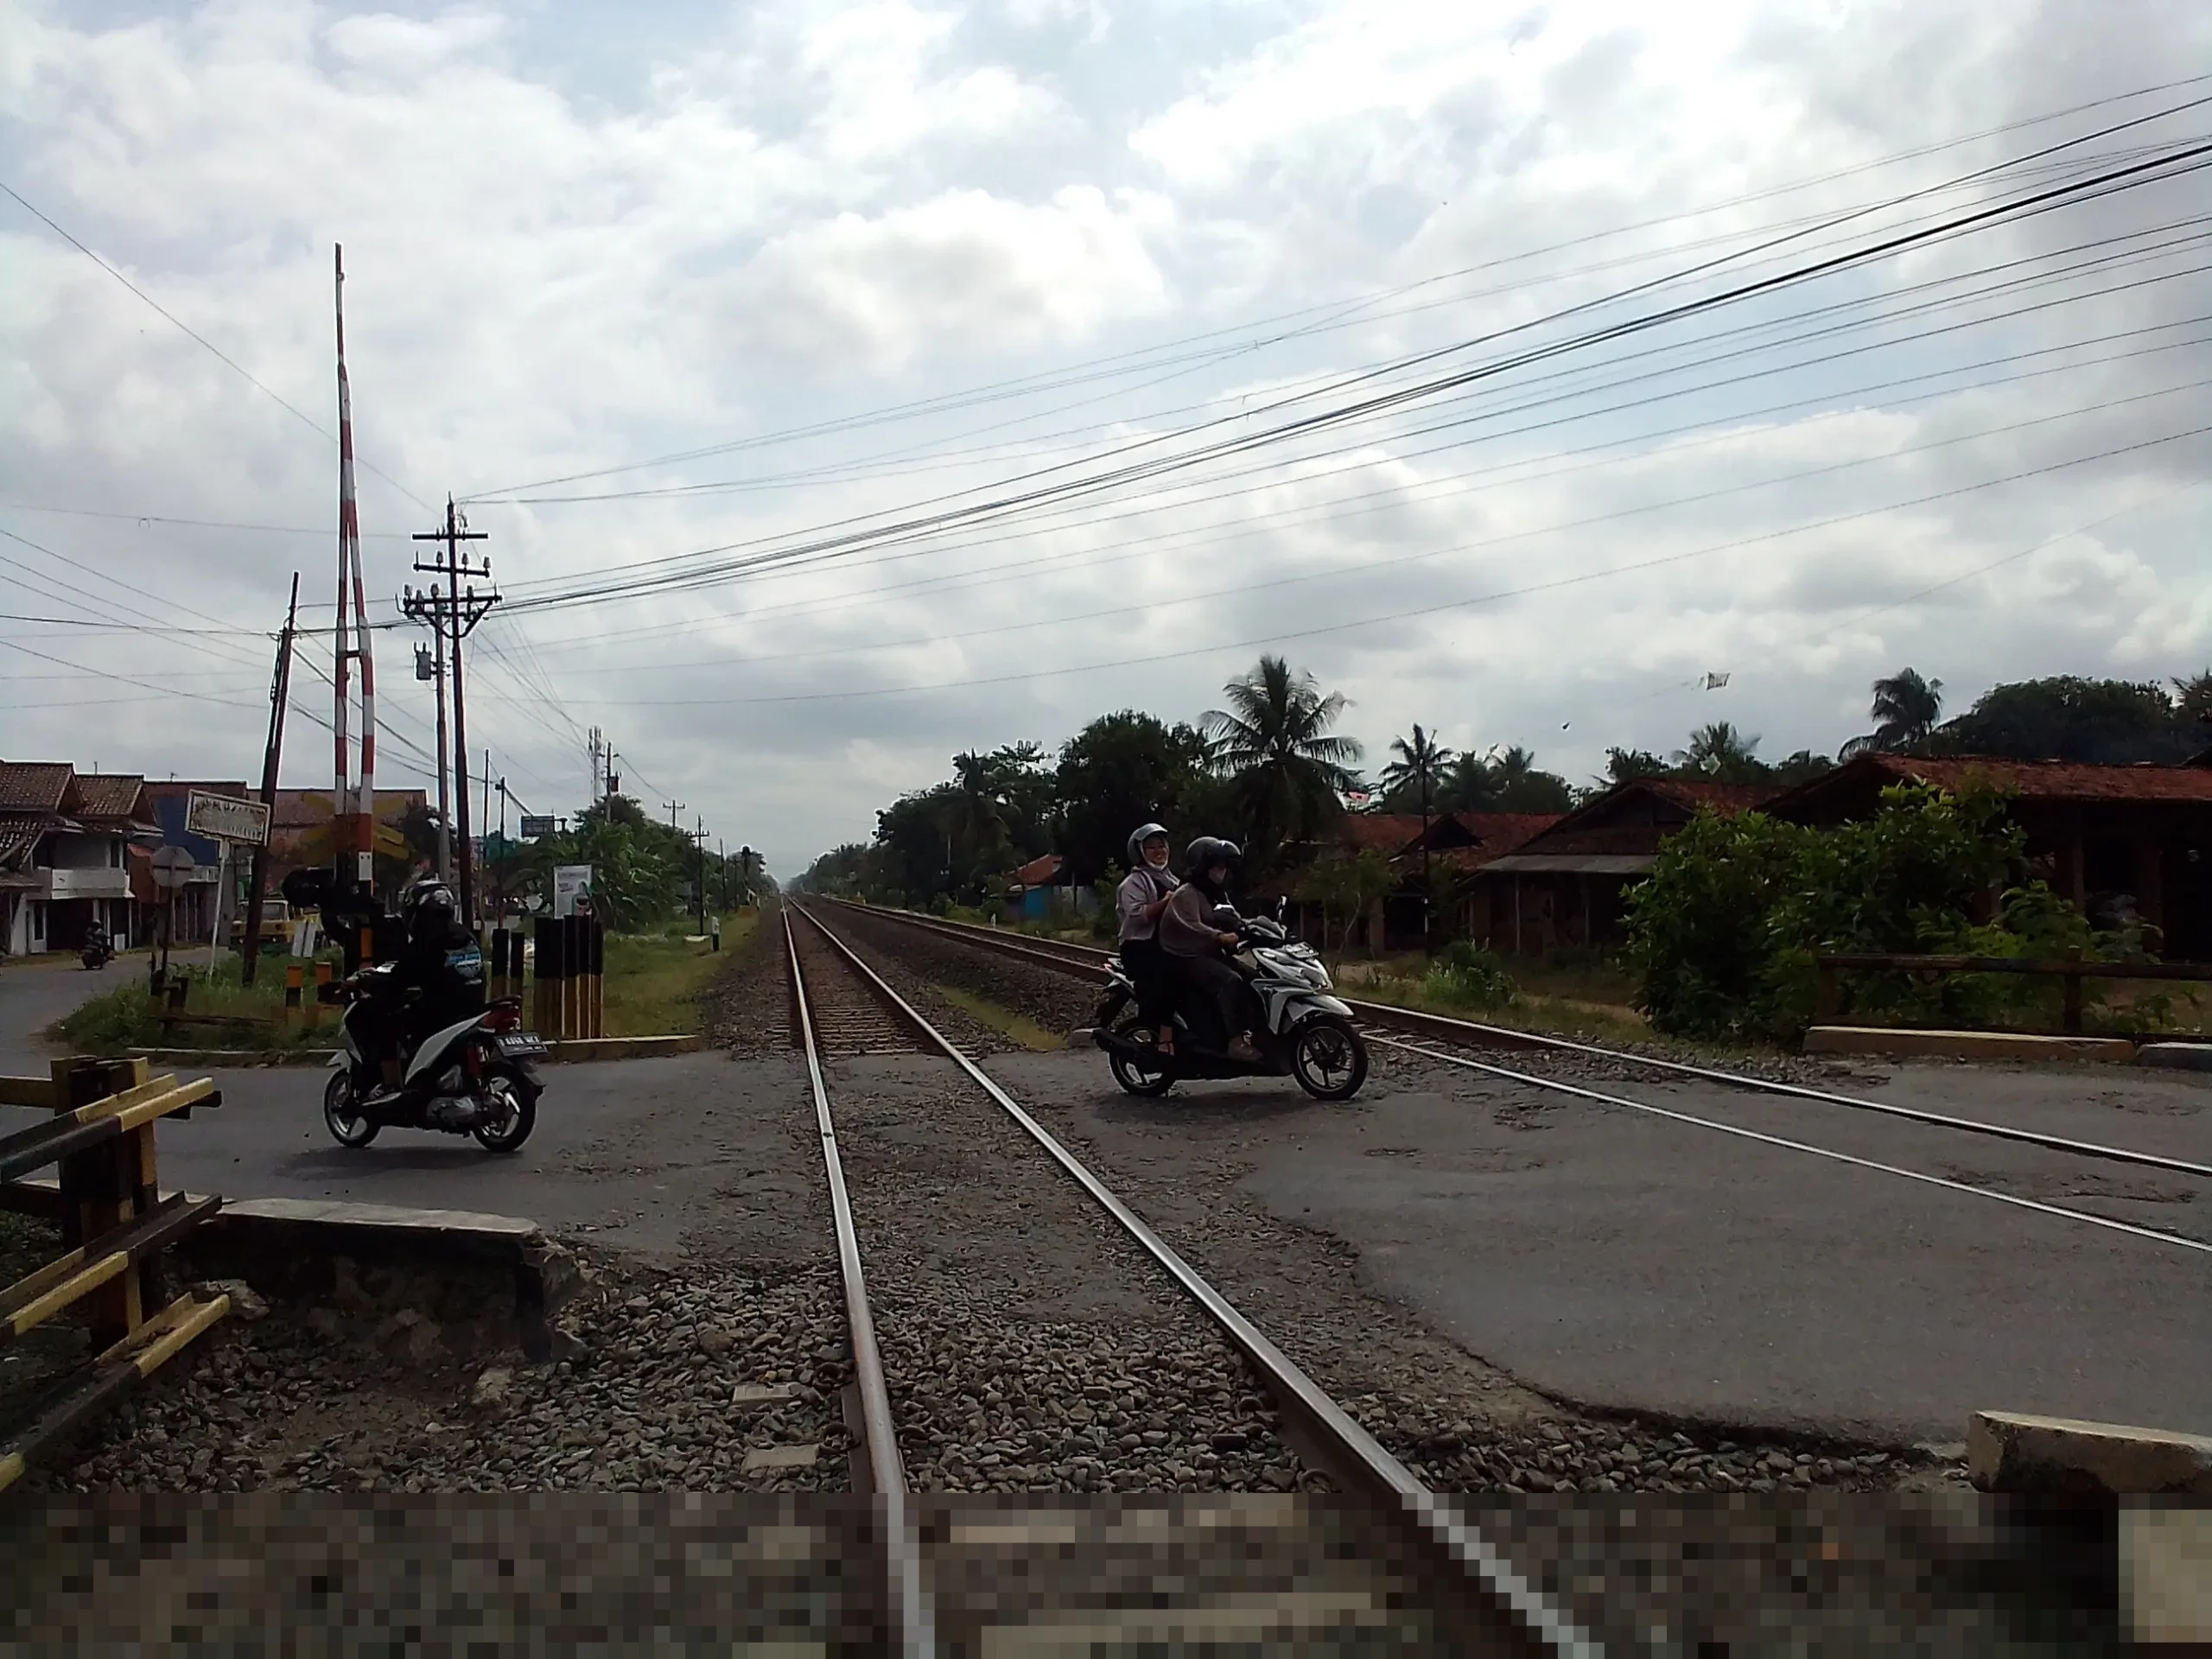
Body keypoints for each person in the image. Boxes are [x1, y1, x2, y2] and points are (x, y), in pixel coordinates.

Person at [366, 878, 486, 1100]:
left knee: (385, 1021)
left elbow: (399, 979)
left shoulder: (425, 942)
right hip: (473, 1008)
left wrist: (368, 982)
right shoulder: (464, 935)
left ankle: (391, 1085)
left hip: (442, 1014)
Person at [1157, 836, 1260, 1061]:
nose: (1220, 871)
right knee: (1230, 981)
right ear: (1202, 867)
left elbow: (1234, 916)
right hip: (1185, 956)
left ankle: (1256, 1033)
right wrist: (1220, 936)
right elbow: (1193, 926)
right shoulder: (1187, 893)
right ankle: (1235, 1042)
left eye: (1224, 866)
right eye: (1216, 866)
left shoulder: (1215, 893)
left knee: (1255, 977)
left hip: (1207, 953)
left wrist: (1256, 927)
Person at [1115, 823, 1179, 1045]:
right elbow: (1138, 917)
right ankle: (1164, 1033)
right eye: (1151, 847)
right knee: (1170, 973)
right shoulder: (1132, 884)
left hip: (1168, 944)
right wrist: (1165, 902)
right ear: (1139, 852)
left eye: (1161, 845)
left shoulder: (1173, 880)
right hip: (1139, 947)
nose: (1159, 851)